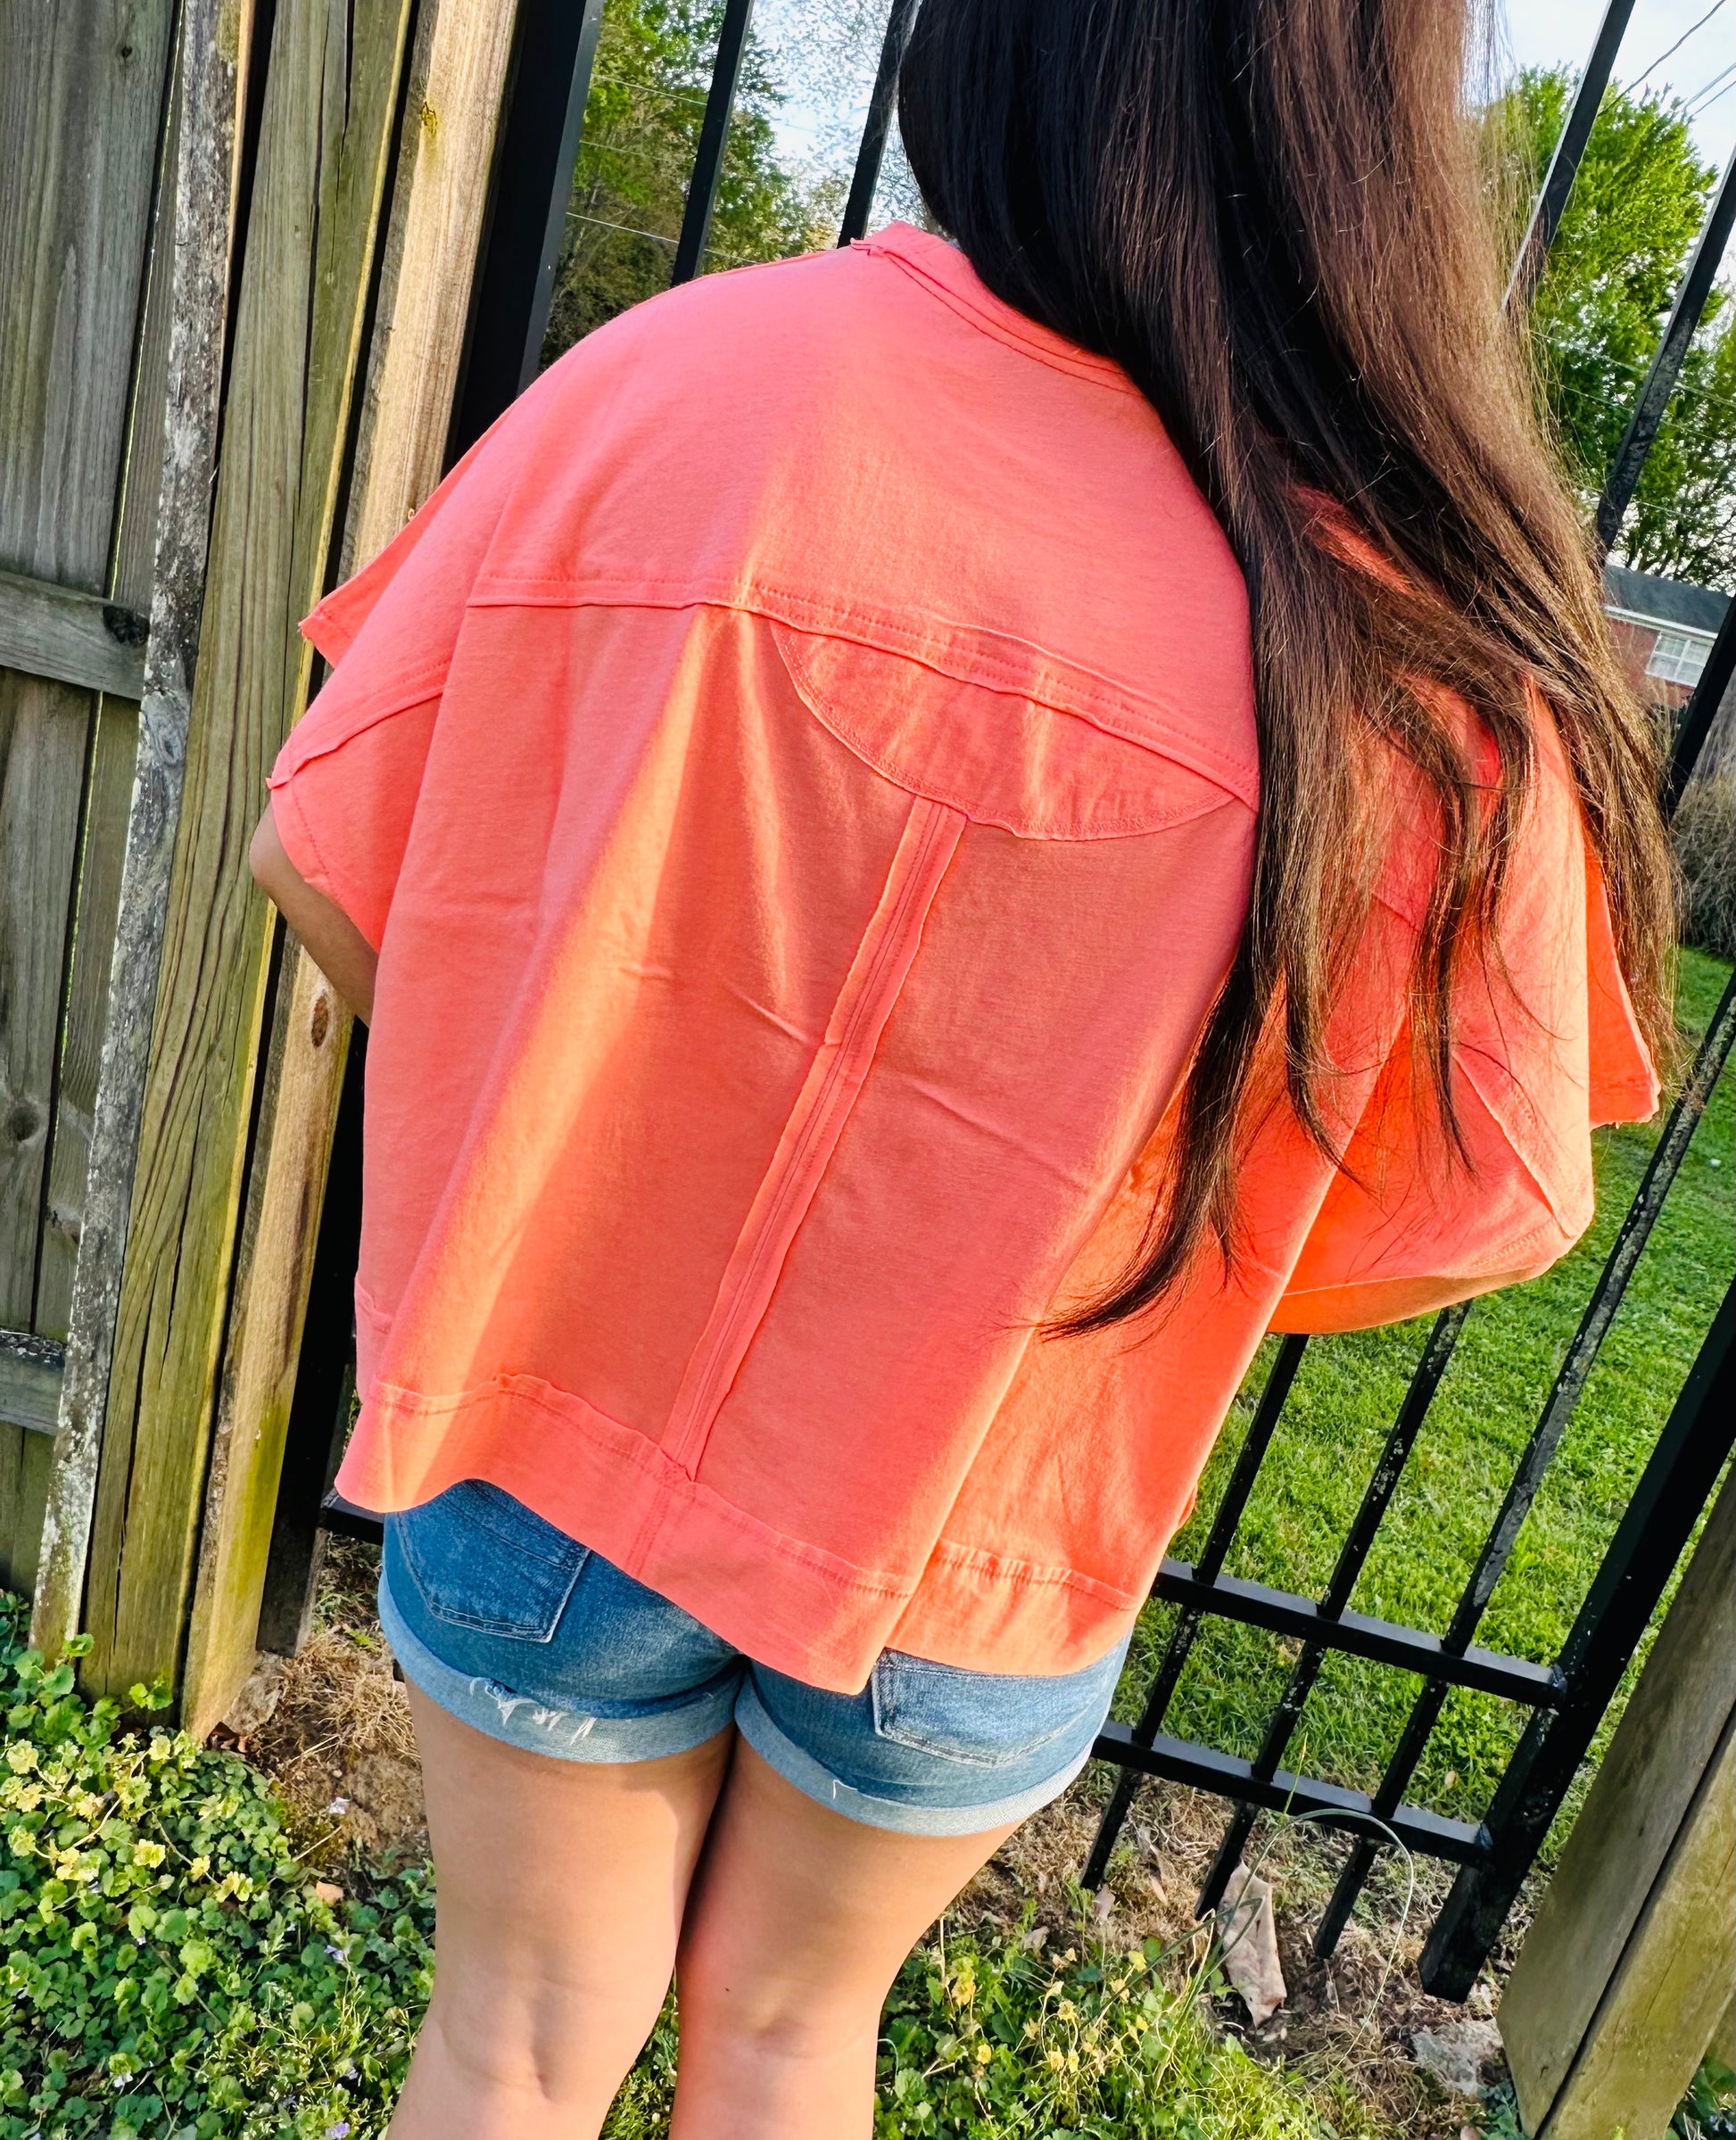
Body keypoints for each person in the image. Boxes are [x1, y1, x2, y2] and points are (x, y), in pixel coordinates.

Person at [250, 1, 1673, 2133]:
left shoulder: (683, 381)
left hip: (552, 1413)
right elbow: (1476, 1204)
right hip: (990, 1523)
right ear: (1370, 127)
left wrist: (565, 1086)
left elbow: (327, 853)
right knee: (795, 2043)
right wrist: (1104, 1266)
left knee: (518, 2045)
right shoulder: (1420, 631)